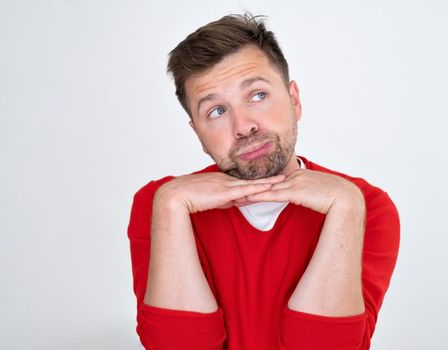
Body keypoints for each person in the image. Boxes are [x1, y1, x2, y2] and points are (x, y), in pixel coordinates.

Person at [127, 13, 400, 350]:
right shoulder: (162, 203)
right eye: (216, 111)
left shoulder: (365, 205)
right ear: (198, 134)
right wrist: (170, 207)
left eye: (257, 95)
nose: (243, 126)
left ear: (294, 100)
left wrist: (346, 210)